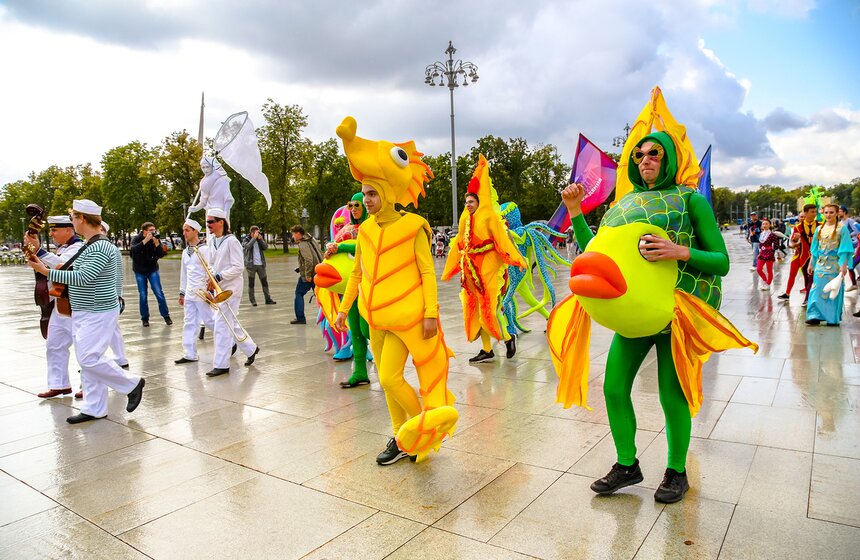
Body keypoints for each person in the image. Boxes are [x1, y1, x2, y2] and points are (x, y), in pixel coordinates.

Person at [557, 131, 743, 504]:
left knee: (671, 395)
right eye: (639, 154)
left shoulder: (690, 199)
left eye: (654, 152)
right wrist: (577, 211)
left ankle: (677, 471)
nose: (646, 159)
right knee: (612, 388)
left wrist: (679, 250)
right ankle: (627, 465)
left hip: (675, 313)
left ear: (670, 157)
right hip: (635, 315)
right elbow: (595, 248)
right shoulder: (625, 203)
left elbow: (721, 262)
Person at [333, 116, 458, 465]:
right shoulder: (367, 231)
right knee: (387, 383)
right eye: (365, 194)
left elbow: (427, 270)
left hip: (409, 318)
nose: (368, 200)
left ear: (388, 193)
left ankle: (420, 429)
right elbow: (357, 273)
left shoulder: (414, 226)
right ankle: (400, 436)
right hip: (375, 318)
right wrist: (344, 309)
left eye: (373, 194)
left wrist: (431, 312)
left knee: (388, 378)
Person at [28, 200, 144, 423]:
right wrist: (40, 254)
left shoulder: (100, 247)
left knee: (89, 358)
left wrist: (44, 271)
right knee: (88, 359)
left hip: (97, 310)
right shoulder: (89, 245)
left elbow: (82, 278)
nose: (71, 222)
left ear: (82, 219)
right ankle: (95, 407)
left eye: (73, 218)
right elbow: (67, 266)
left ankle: (131, 383)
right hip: (85, 310)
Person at [442, 179, 526, 363]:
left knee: (491, 311)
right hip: (471, 274)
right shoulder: (465, 220)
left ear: (479, 202)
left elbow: (503, 240)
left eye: (471, 201)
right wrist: (452, 266)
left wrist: (518, 259)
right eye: (466, 202)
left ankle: (508, 338)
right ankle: (487, 349)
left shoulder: (490, 218)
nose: (468, 205)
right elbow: (458, 244)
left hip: (489, 272)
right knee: (475, 312)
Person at [24, 214, 85, 398]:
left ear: (68, 229)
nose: (51, 233)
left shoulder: (79, 247)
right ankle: (59, 384)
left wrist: (40, 251)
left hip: (77, 304)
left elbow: (62, 265)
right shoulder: (61, 248)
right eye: (50, 229)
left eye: (54, 229)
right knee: (54, 345)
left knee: (84, 348)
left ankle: (88, 385)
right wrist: (31, 250)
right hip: (60, 303)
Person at [323, 193, 373, 388]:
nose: (353, 208)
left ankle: (389, 367)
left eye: (357, 204)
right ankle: (359, 371)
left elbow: (363, 247)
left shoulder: (371, 227)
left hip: (368, 284)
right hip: (350, 284)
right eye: (350, 205)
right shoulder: (346, 228)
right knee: (355, 329)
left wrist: (340, 247)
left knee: (365, 328)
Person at [204, 208, 260, 376]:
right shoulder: (212, 241)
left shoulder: (232, 241)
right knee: (229, 322)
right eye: (207, 222)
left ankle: (221, 364)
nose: (208, 225)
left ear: (221, 222)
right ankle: (251, 348)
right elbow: (212, 264)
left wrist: (219, 277)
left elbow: (238, 267)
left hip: (232, 288)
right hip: (220, 286)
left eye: (211, 221)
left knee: (222, 324)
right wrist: (212, 277)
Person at [174, 218, 216, 364]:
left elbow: (210, 271)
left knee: (210, 320)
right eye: (183, 230)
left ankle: (230, 343)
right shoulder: (186, 252)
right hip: (190, 292)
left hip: (202, 292)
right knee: (189, 322)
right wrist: (182, 292)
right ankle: (189, 353)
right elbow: (184, 273)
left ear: (195, 231)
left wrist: (211, 291)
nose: (184, 233)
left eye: (187, 230)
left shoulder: (204, 249)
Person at [806, 204, 853, 326]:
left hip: (834, 265)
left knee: (833, 291)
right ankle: (814, 315)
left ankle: (831, 318)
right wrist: (811, 263)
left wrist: (843, 266)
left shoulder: (842, 229)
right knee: (816, 290)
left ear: (837, 213)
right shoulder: (819, 229)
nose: (828, 215)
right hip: (821, 264)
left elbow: (845, 249)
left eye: (831, 212)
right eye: (826, 212)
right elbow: (814, 249)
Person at [130, 221, 171, 327]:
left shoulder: (156, 239)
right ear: (144, 231)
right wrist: (145, 241)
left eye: (154, 230)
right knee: (143, 295)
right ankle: (145, 318)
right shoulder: (136, 239)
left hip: (152, 269)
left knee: (159, 293)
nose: (153, 232)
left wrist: (157, 244)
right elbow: (133, 251)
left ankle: (166, 316)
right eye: (151, 231)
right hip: (139, 270)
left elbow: (161, 254)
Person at [777, 204, 819, 305]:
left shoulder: (820, 225)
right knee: (801, 276)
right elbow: (791, 243)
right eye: (812, 212)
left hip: (817, 256)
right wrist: (796, 242)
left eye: (815, 212)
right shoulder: (798, 227)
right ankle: (790, 294)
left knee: (813, 278)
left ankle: (811, 297)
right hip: (801, 256)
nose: (814, 214)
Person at [290, 225, 323, 325]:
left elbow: (309, 260)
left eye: (293, 234)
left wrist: (307, 275)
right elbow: (318, 255)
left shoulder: (303, 244)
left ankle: (300, 318)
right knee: (320, 296)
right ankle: (327, 315)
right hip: (318, 271)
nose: (293, 236)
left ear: (298, 233)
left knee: (299, 293)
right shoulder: (311, 239)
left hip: (310, 274)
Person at [189, 156, 234, 222]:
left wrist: (225, 213)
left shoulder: (222, 179)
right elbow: (203, 202)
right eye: (203, 167)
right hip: (209, 213)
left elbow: (228, 199)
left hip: (220, 213)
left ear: (212, 167)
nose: (205, 170)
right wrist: (195, 208)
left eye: (207, 167)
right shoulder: (203, 182)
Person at [242, 225, 275, 306]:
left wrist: (260, 240)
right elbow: (247, 246)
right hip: (251, 265)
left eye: (258, 232)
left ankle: (268, 299)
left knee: (264, 282)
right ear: (252, 233)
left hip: (261, 264)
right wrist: (254, 238)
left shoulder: (259, 239)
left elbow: (265, 247)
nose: (258, 234)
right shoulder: (246, 239)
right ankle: (253, 301)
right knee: (251, 283)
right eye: (256, 232)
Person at [756, 219, 788, 290]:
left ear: (769, 225)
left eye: (766, 224)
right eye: (763, 224)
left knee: (769, 270)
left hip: (769, 253)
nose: (764, 225)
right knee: (758, 269)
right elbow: (760, 244)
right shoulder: (761, 234)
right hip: (762, 253)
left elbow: (776, 245)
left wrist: (775, 252)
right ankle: (765, 280)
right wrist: (760, 251)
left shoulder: (772, 234)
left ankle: (768, 284)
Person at [838, 206, 858, 291]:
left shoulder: (850, 221)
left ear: (845, 212)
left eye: (840, 211)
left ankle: (853, 284)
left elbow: (856, 231)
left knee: (850, 265)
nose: (838, 213)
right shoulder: (840, 222)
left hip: (852, 245)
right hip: (844, 245)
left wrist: (848, 235)